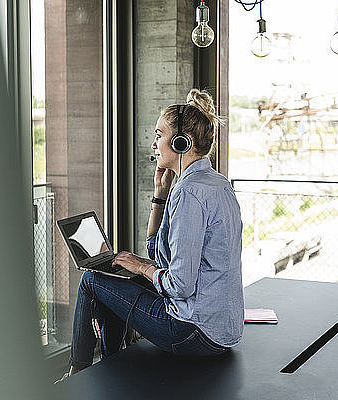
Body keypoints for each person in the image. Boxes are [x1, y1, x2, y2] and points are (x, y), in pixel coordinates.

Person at [58, 88, 244, 381]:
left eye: (159, 135)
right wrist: (160, 196)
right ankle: (112, 362)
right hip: (223, 330)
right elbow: (160, 252)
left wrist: (143, 267)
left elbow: (180, 285)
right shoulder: (217, 183)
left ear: (182, 142)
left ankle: (77, 372)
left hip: (192, 332)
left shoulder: (190, 193)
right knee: (119, 275)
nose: (154, 143)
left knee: (92, 279)